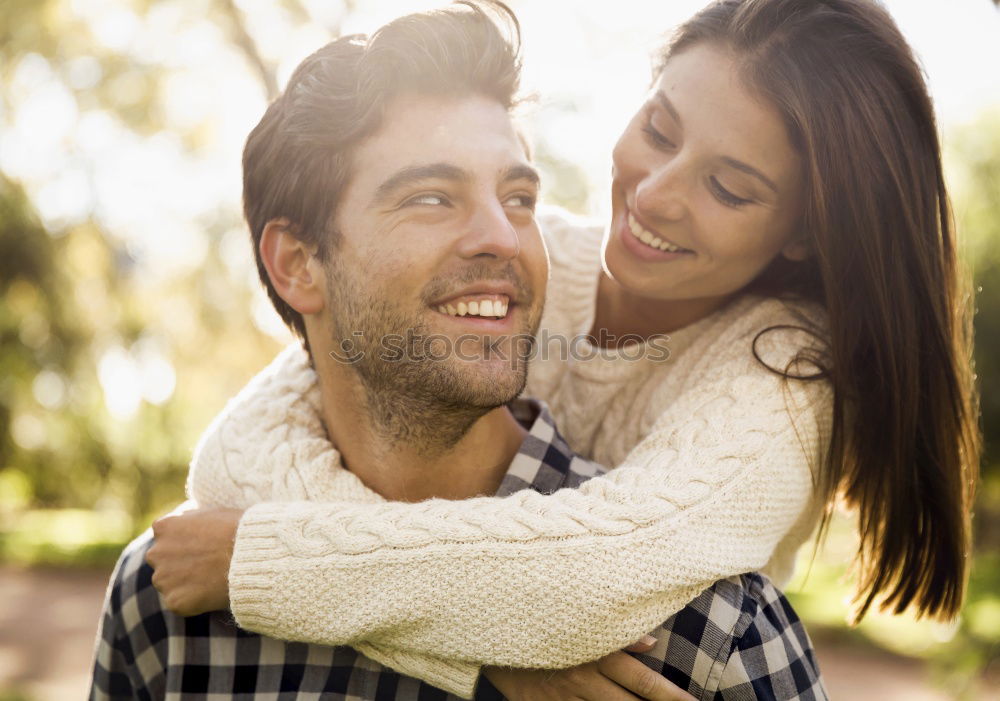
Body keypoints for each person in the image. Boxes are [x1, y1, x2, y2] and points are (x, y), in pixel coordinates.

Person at [145, 0, 979, 696]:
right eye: (659, 129)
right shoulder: (524, 264)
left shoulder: (787, 377)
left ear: (802, 231)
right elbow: (244, 444)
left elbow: (603, 570)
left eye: (728, 186)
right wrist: (483, 652)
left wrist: (263, 565)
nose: (656, 192)